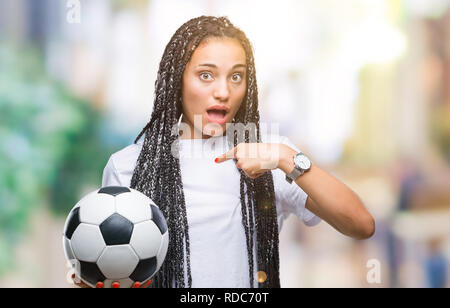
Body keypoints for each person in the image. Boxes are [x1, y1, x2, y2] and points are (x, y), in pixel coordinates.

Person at [79, 15, 375, 288]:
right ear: (177, 80)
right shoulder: (130, 166)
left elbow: (360, 224)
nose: (223, 91)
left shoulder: (268, 155)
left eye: (236, 76)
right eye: (206, 75)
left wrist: (285, 157)